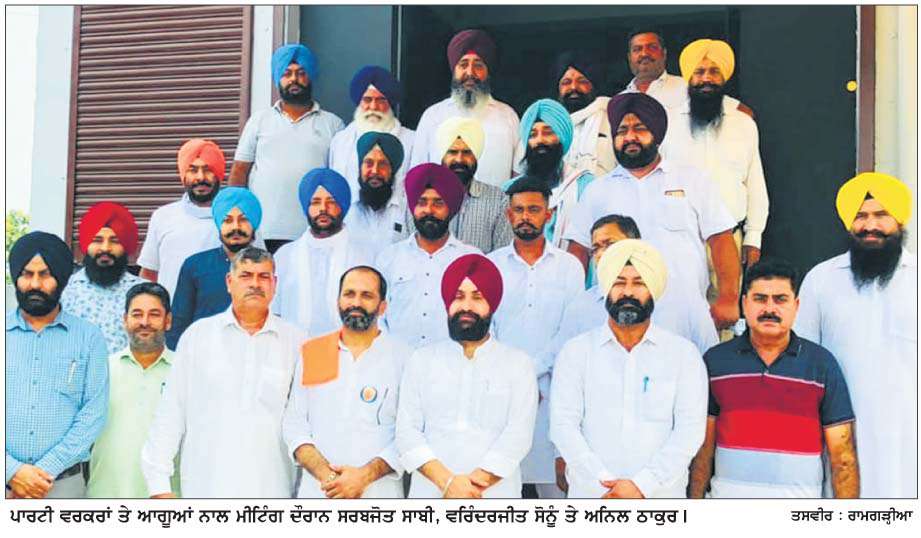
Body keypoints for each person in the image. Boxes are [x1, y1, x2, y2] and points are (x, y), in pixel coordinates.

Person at [564, 92, 741, 332]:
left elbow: (721, 240)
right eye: (622, 131)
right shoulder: (597, 190)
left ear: (656, 134)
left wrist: (728, 298)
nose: (630, 137)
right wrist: (574, 306)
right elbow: (578, 253)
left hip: (685, 318)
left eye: (639, 128)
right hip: (616, 321)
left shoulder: (693, 180)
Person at [550, 239, 708, 498]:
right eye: (619, 282)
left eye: (639, 283)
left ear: (653, 290)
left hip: (660, 498)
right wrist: (604, 481)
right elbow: (563, 426)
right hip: (593, 495)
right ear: (606, 289)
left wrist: (643, 485)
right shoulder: (576, 352)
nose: (628, 292)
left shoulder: (683, 355)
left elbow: (689, 432)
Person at [142, 247, 304, 498]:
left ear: (274, 284)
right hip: (205, 488)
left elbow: (302, 424)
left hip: (273, 490)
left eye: (263, 276)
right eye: (246, 275)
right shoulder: (198, 336)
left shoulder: (296, 341)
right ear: (229, 282)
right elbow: (171, 412)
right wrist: (159, 486)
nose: (255, 284)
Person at [689, 259, 858, 498]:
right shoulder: (716, 362)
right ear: (745, 303)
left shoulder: (821, 365)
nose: (770, 309)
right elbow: (702, 451)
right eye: (760, 299)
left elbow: (843, 457)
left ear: (796, 306)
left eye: (780, 299)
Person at [796, 172, 917, 498]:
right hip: (839, 435)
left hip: (908, 435)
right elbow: (802, 361)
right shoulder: (821, 280)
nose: (870, 225)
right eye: (860, 216)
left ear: (900, 220)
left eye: (881, 215)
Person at [396, 254, 538, 498]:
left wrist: (470, 486)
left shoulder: (518, 364)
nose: (466, 307)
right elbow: (407, 432)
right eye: (458, 297)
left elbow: (518, 435)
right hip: (430, 493)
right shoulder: (421, 360)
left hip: (494, 496)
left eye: (477, 297)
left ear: (492, 305)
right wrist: (448, 483)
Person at [487, 177, 584, 498]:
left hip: (554, 389)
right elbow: (489, 328)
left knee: (554, 489)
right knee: (501, 486)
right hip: (502, 387)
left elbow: (570, 331)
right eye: (518, 210)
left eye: (533, 209)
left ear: (549, 214)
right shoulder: (492, 265)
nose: (525, 217)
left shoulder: (569, 267)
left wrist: (531, 372)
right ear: (508, 215)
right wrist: (516, 376)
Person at [282, 266, 410, 498]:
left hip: (379, 494)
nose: (356, 303)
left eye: (367, 295)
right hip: (319, 493)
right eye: (349, 294)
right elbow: (294, 424)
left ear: (383, 306)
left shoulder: (405, 358)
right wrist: (330, 478)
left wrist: (363, 477)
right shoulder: (314, 351)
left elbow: (409, 433)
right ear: (338, 301)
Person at [6, 232, 109, 499]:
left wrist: (40, 475)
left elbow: (94, 413)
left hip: (63, 485)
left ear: (61, 279)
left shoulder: (88, 337)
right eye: (27, 274)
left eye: (45, 275)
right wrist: (11, 471)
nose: (35, 284)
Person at [660, 38, 769, 271]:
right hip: (679, 243)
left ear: (724, 77)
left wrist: (753, 238)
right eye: (699, 72)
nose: (706, 79)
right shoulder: (668, 123)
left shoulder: (744, 123)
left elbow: (755, 184)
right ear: (688, 77)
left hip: (730, 239)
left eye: (714, 71)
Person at [229, 44, 344, 252]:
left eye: (301, 73)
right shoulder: (259, 121)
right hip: (262, 233)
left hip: (313, 233)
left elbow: (339, 181)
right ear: (277, 78)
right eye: (287, 74)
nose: (294, 79)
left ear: (310, 77)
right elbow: (239, 171)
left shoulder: (333, 124)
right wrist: (238, 218)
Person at [557, 214, 718, 354]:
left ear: (636, 244)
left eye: (610, 244)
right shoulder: (581, 308)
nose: (601, 254)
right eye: (595, 248)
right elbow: (560, 361)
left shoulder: (684, 301)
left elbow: (710, 359)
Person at [87, 282, 180, 498]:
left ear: (168, 321)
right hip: (105, 496)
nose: (144, 322)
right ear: (125, 320)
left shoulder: (185, 371)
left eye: (154, 314)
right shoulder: (102, 370)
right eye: (137, 314)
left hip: (166, 498)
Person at [376, 163, 480, 348]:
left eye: (438, 203)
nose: (429, 210)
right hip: (398, 360)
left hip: (451, 361)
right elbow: (377, 315)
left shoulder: (471, 259)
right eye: (422, 202)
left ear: (450, 208)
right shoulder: (389, 258)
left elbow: (481, 316)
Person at [409, 29, 523, 189]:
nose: (470, 72)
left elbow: (518, 177)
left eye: (478, 65)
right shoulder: (433, 116)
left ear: (488, 71)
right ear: (454, 70)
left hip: (497, 205)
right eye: (463, 65)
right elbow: (418, 175)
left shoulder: (508, 117)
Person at [273, 168, 373, 335]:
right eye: (315, 202)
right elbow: (273, 311)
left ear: (342, 205)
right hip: (293, 347)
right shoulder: (284, 256)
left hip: (348, 346)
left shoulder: (364, 256)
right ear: (306, 207)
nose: (323, 209)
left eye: (331, 202)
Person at [166, 187, 263, 349]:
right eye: (228, 220)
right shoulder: (195, 266)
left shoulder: (267, 267)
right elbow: (178, 324)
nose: (236, 227)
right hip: (203, 355)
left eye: (243, 220)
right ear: (218, 224)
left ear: (254, 225)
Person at [406, 116, 512, 253]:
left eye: (467, 152)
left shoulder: (499, 200)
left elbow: (502, 255)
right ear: (442, 155)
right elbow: (409, 250)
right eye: (452, 152)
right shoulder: (419, 198)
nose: (459, 159)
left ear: (476, 156)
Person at [137, 138, 225, 297]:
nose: (200, 177)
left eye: (208, 170)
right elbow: (149, 274)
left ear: (219, 174)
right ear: (183, 175)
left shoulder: (239, 219)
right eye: (193, 170)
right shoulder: (163, 217)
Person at [505, 99, 594, 248]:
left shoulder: (585, 185)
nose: (540, 140)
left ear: (562, 138)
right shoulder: (510, 190)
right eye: (533, 135)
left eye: (548, 133)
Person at [62, 201, 144, 354]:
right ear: (86, 244)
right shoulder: (65, 290)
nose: (105, 248)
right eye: (97, 240)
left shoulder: (143, 291)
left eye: (115, 241)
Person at [329, 66, 415, 200]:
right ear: (359, 102)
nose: (374, 107)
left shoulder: (411, 141)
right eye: (367, 100)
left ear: (390, 103)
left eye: (381, 100)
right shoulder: (341, 141)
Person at [619, 28, 751, 116]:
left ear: (664, 54)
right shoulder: (619, 101)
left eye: (652, 47)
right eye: (637, 49)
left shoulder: (686, 86)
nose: (644, 54)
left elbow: (744, 112)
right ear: (629, 57)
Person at [343, 132, 411, 256]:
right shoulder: (344, 208)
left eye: (382, 164)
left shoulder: (407, 208)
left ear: (393, 170)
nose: (374, 171)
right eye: (368, 163)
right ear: (360, 167)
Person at [552, 50, 615, 176]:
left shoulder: (611, 117)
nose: (573, 87)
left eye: (582, 81)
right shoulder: (548, 125)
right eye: (566, 82)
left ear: (593, 85)